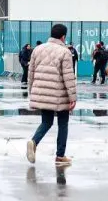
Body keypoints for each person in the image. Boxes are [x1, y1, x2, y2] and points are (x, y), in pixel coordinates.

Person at [25, 23, 77, 167]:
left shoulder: (38, 49)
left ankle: (34, 141)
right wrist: (72, 97)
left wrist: (32, 91)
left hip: (42, 93)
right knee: (63, 124)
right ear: (63, 37)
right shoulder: (64, 51)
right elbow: (68, 76)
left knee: (46, 122)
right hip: (60, 95)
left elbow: (31, 73)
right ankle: (60, 156)